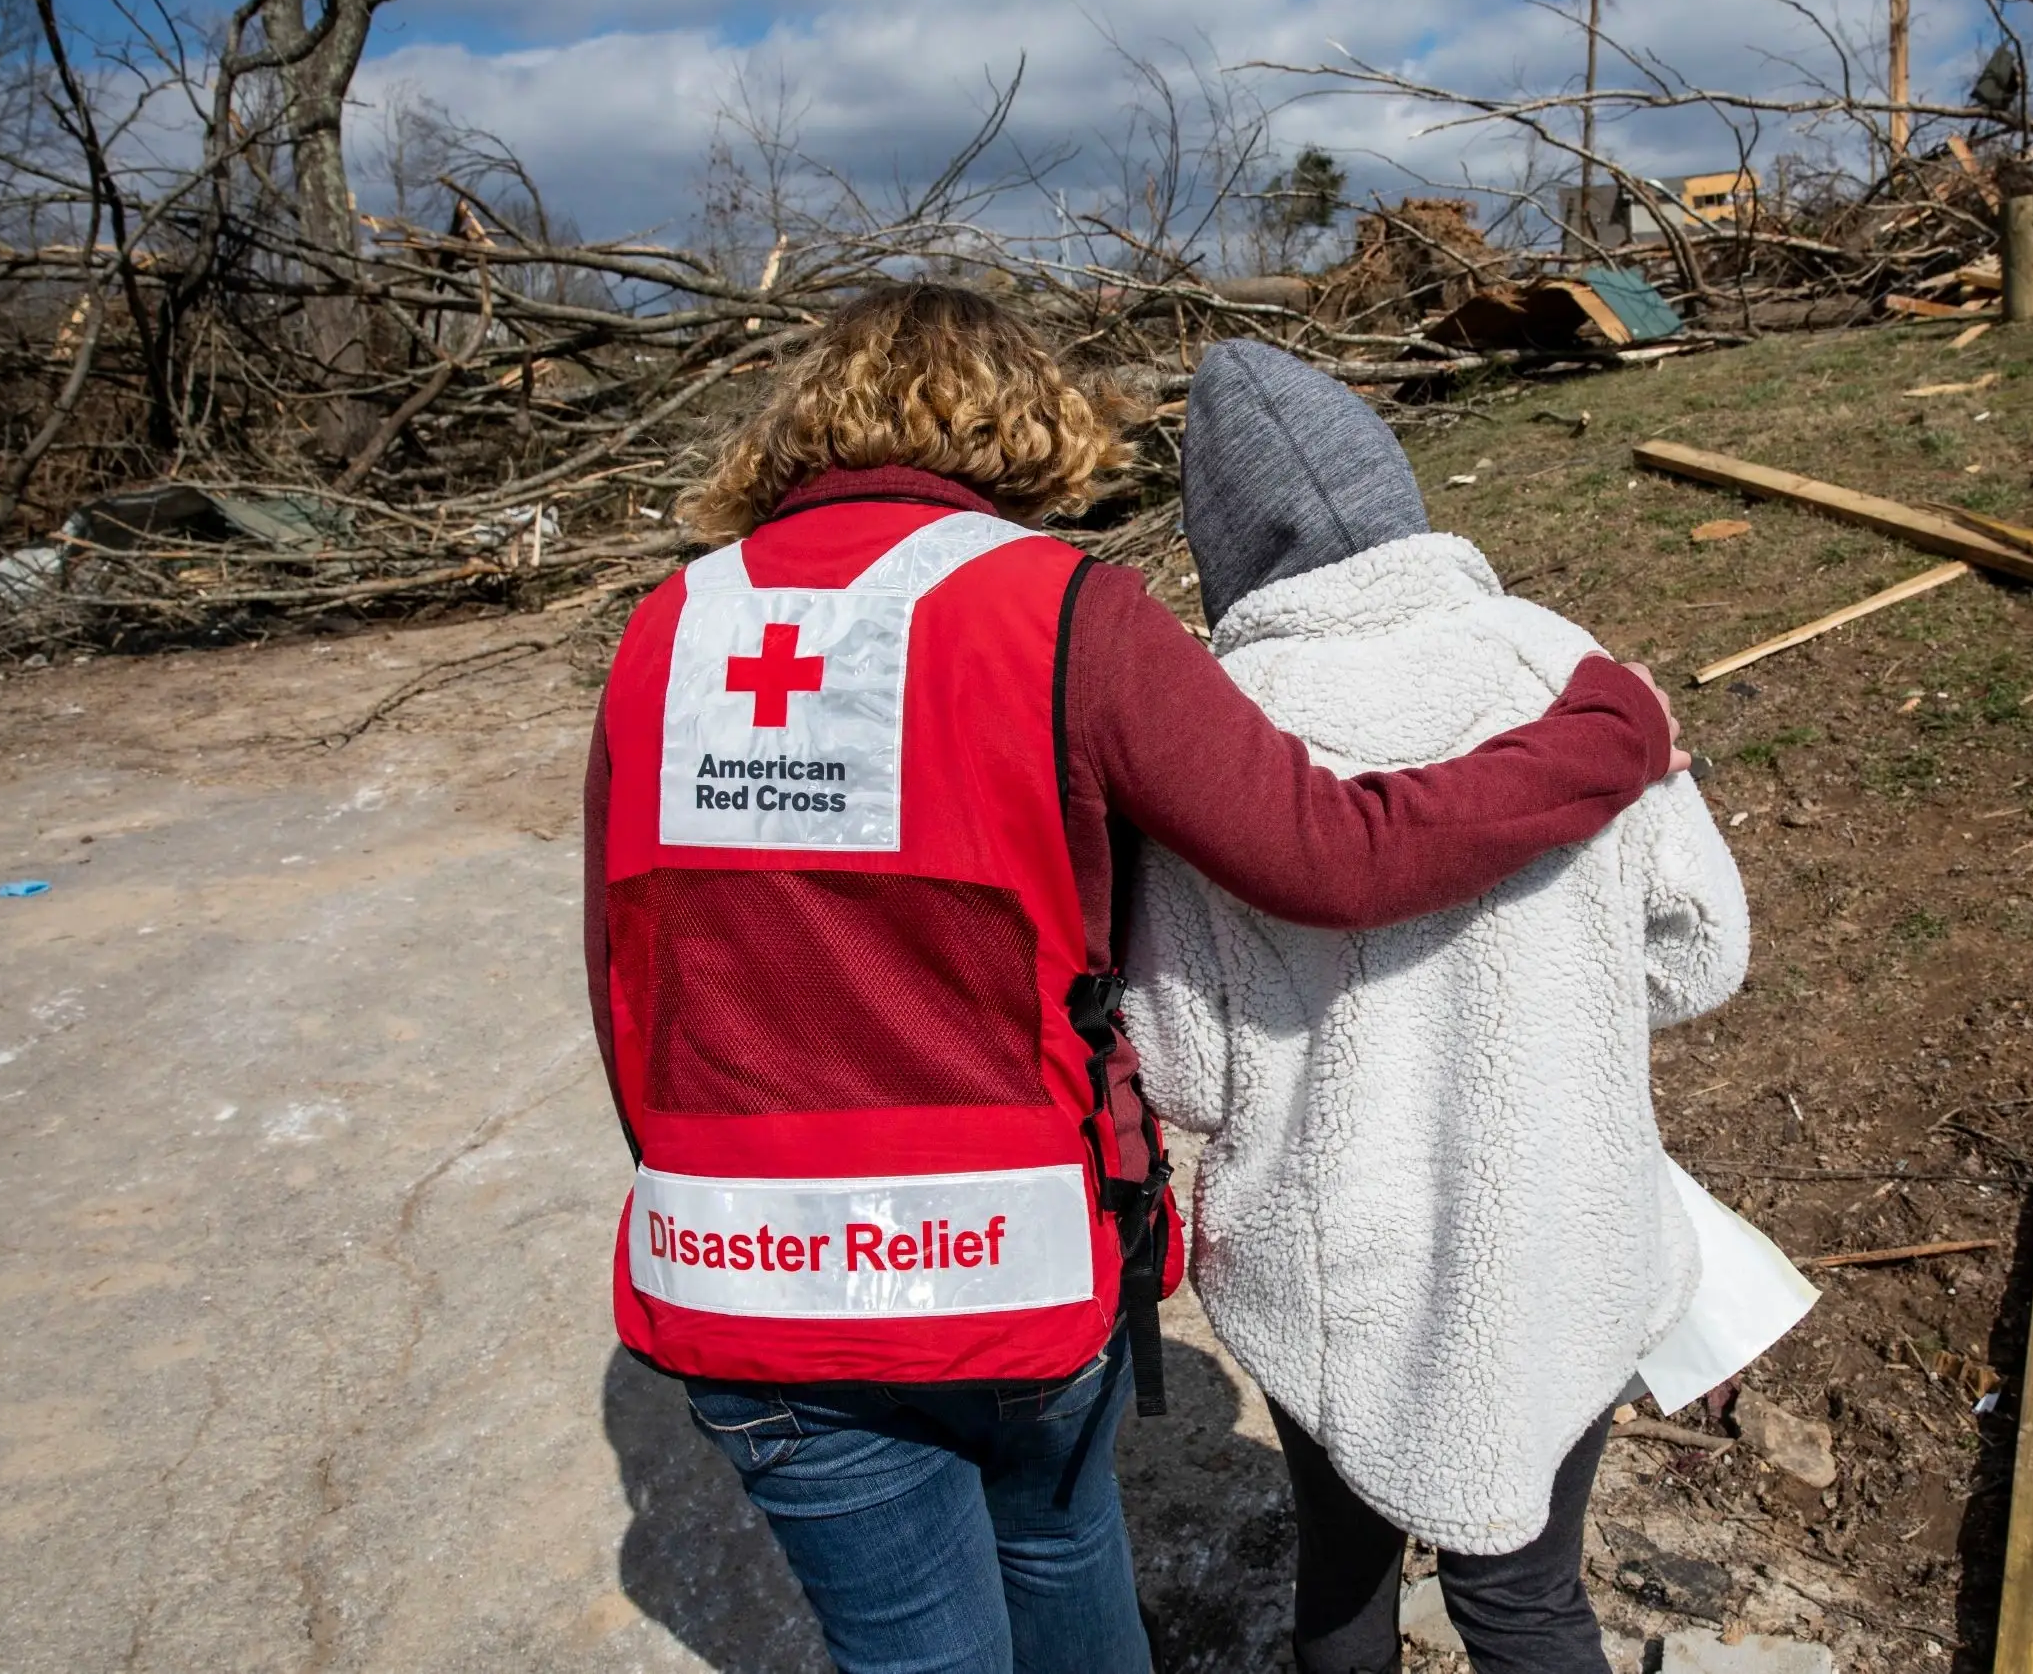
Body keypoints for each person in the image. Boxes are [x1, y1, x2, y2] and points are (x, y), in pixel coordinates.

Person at [581, 284, 1692, 1674]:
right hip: (1009, 1266)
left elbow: (631, 987)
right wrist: (1607, 729)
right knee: (1062, 1558)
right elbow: (1336, 856)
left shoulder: (665, 631)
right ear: (1027, 423)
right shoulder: (1060, 614)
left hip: (745, 1284)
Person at [1123, 340, 1752, 1674]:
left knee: (1342, 1588)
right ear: (1395, 481)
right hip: (1565, 1241)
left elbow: (1177, 1064)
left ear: (1217, 543)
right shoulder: (1562, 669)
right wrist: (1560, 1001)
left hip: (1329, 1271)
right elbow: (1703, 957)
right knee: (1527, 1603)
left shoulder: (1216, 735)